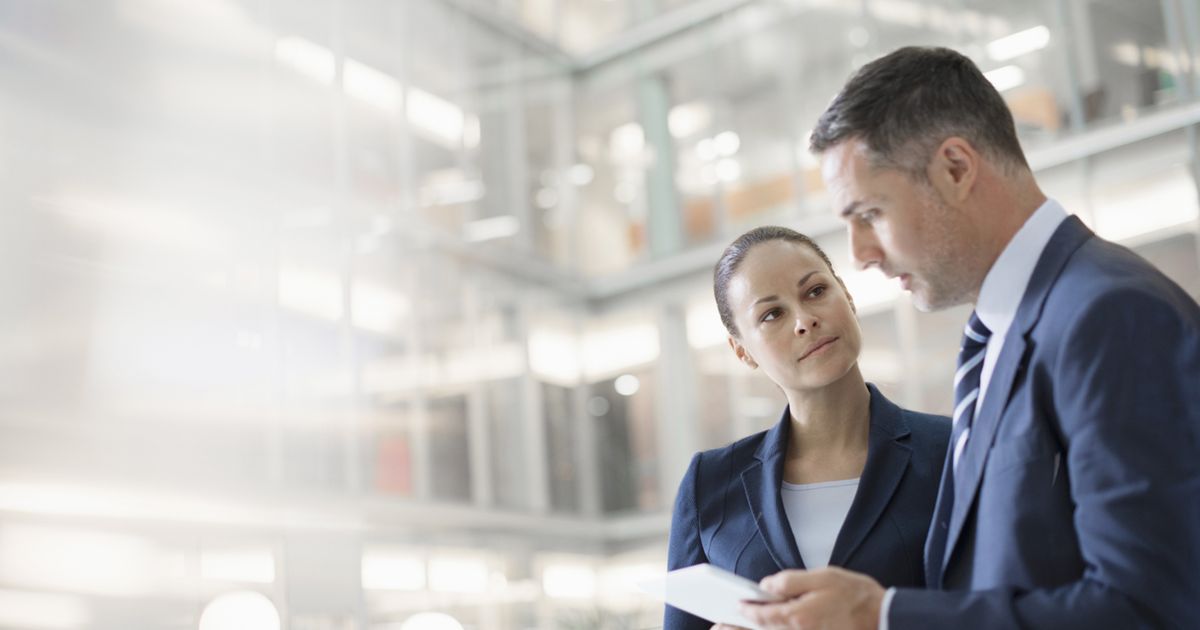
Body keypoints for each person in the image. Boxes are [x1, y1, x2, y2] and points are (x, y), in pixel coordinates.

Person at [737, 46, 1200, 630]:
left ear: (956, 169)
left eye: (869, 214)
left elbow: (1151, 608)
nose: (860, 255)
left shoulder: (1109, 317)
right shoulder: (1000, 334)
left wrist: (881, 614)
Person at [664, 226, 951, 629]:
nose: (804, 321)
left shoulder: (952, 449)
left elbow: (997, 607)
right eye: (772, 314)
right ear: (742, 350)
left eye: (816, 291)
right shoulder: (709, 483)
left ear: (847, 296)